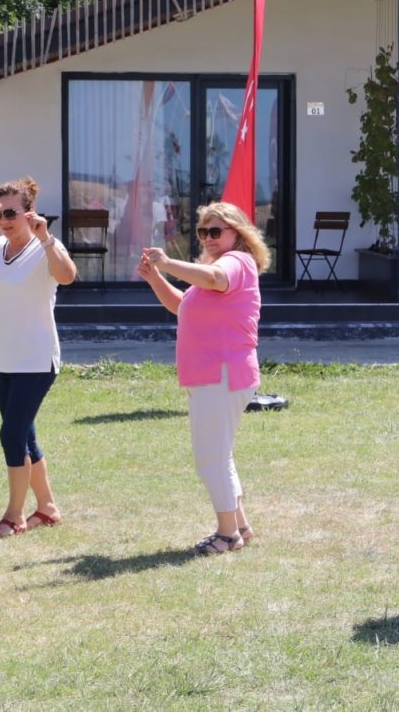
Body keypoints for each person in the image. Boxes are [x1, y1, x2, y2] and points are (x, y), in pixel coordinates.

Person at [136, 201, 269, 555]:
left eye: (215, 231)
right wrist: (155, 278)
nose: (208, 238)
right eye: (203, 232)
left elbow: (215, 279)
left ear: (237, 234)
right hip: (213, 374)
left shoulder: (235, 262)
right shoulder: (214, 267)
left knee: (211, 457)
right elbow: (181, 305)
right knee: (219, 454)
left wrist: (167, 262)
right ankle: (239, 525)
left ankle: (227, 535)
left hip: (221, 374)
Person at [0, 177, 77, 539]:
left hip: (37, 360)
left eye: (9, 212)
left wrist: (47, 237)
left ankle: (13, 516)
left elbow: (67, 276)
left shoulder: (44, 247)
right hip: (6, 358)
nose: (3, 219)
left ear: (28, 212)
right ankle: (48, 508)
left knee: (11, 434)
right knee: (25, 435)